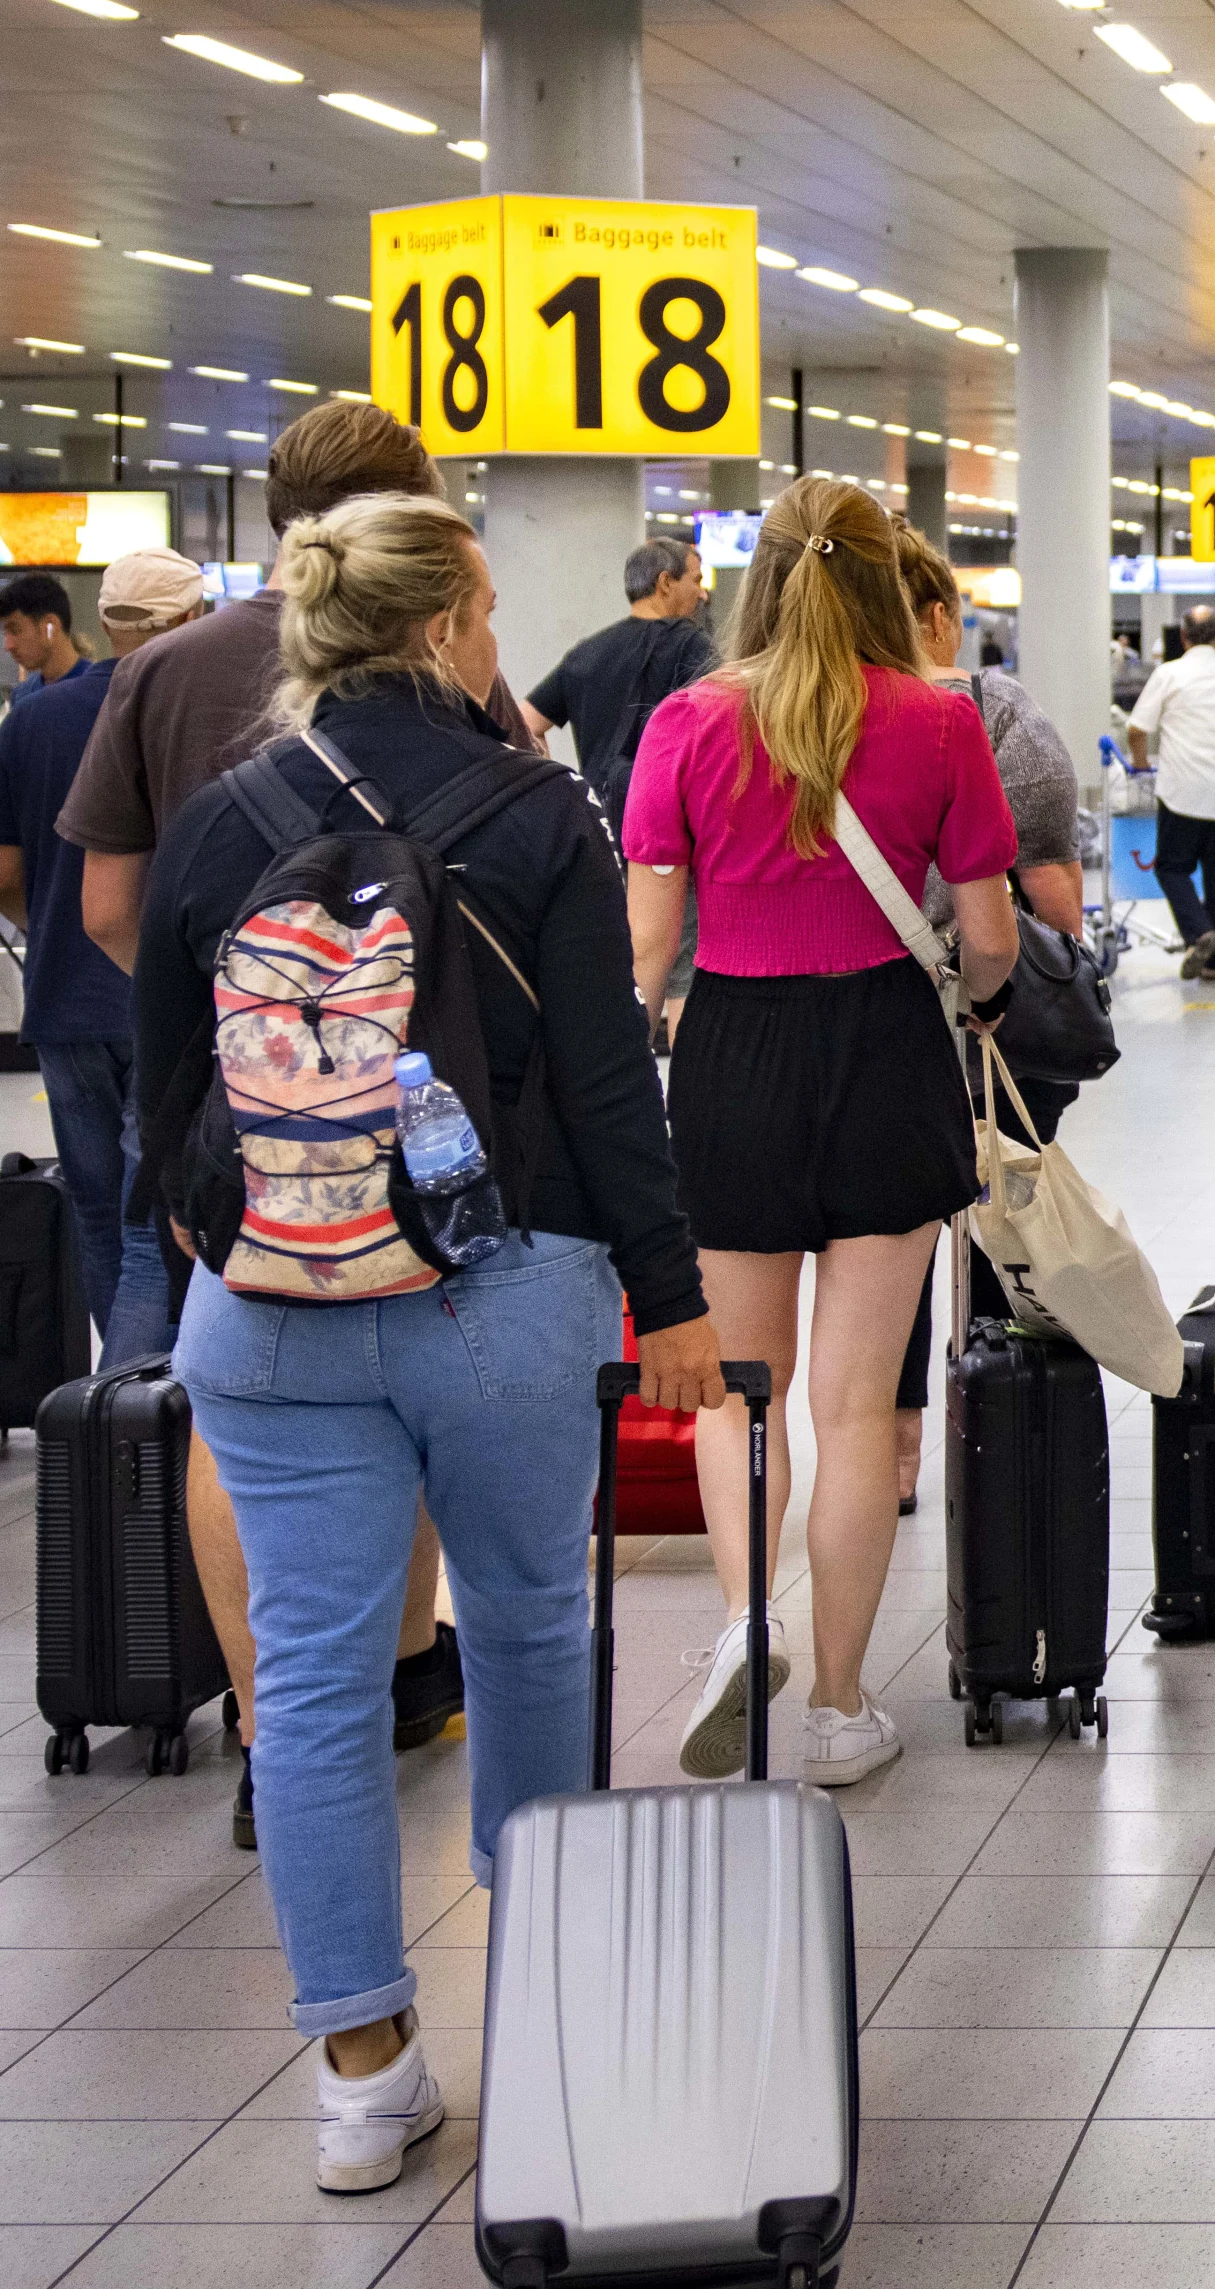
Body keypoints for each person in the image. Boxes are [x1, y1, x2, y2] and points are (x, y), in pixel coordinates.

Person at [133, 490, 717, 2196]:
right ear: (458, 623)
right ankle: (535, 2010)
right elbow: (607, 1084)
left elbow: (170, 1073)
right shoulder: (542, 810)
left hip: (269, 1305)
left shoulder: (220, 815)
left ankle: (361, 2075)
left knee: (311, 1681)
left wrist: (215, 1242)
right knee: (531, 1631)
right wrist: (669, 1297)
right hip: (502, 1294)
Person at [65, 401, 494, 1848]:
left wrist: (248, 1029)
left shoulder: (165, 669)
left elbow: (110, 908)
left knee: (233, 1392)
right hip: (426, 1108)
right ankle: (399, 1677)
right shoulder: (447, 665)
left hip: (227, 1121)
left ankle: (272, 1728)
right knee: (414, 1379)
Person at [622, 475, 1018, 1791]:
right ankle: (843, 1708)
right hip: (888, 1058)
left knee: (746, 1393)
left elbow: (646, 951)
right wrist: (994, 998)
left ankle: (746, 1621)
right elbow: (991, 935)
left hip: (732, 1052)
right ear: (877, 580)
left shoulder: (686, 720)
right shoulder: (938, 720)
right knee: (857, 1408)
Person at [887, 528, 1086, 1513]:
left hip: (867, 1017)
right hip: (989, 1015)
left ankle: (893, 1447)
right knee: (1004, 1225)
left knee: (883, 1244)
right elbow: (1050, 892)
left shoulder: (800, 712)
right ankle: (998, 1414)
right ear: (934, 612)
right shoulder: (994, 709)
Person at [0, 555, 161, 1363]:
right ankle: (133, 1411)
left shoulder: (28, 723)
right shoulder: (170, 705)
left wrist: (55, 927)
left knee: (98, 1212)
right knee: (148, 1220)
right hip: (155, 999)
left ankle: (115, 1418)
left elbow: (4, 872)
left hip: (60, 998)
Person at [524, 538, 714, 813]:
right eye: (696, 581)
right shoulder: (691, 645)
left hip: (600, 823)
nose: (702, 594)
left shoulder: (586, 653)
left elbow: (527, 724)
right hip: (662, 826)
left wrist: (560, 794)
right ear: (665, 583)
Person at [1123, 605, 1215, 982]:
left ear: (1182, 637)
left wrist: (1139, 765)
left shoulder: (1169, 674)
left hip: (1180, 792)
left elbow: (1137, 728)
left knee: (1171, 867)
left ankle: (1199, 932)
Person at [0, 568, 85, 692]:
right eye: (5, 633)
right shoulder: (22, 694)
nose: (8, 646)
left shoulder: (103, 691)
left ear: (50, 626)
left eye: (15, 631)